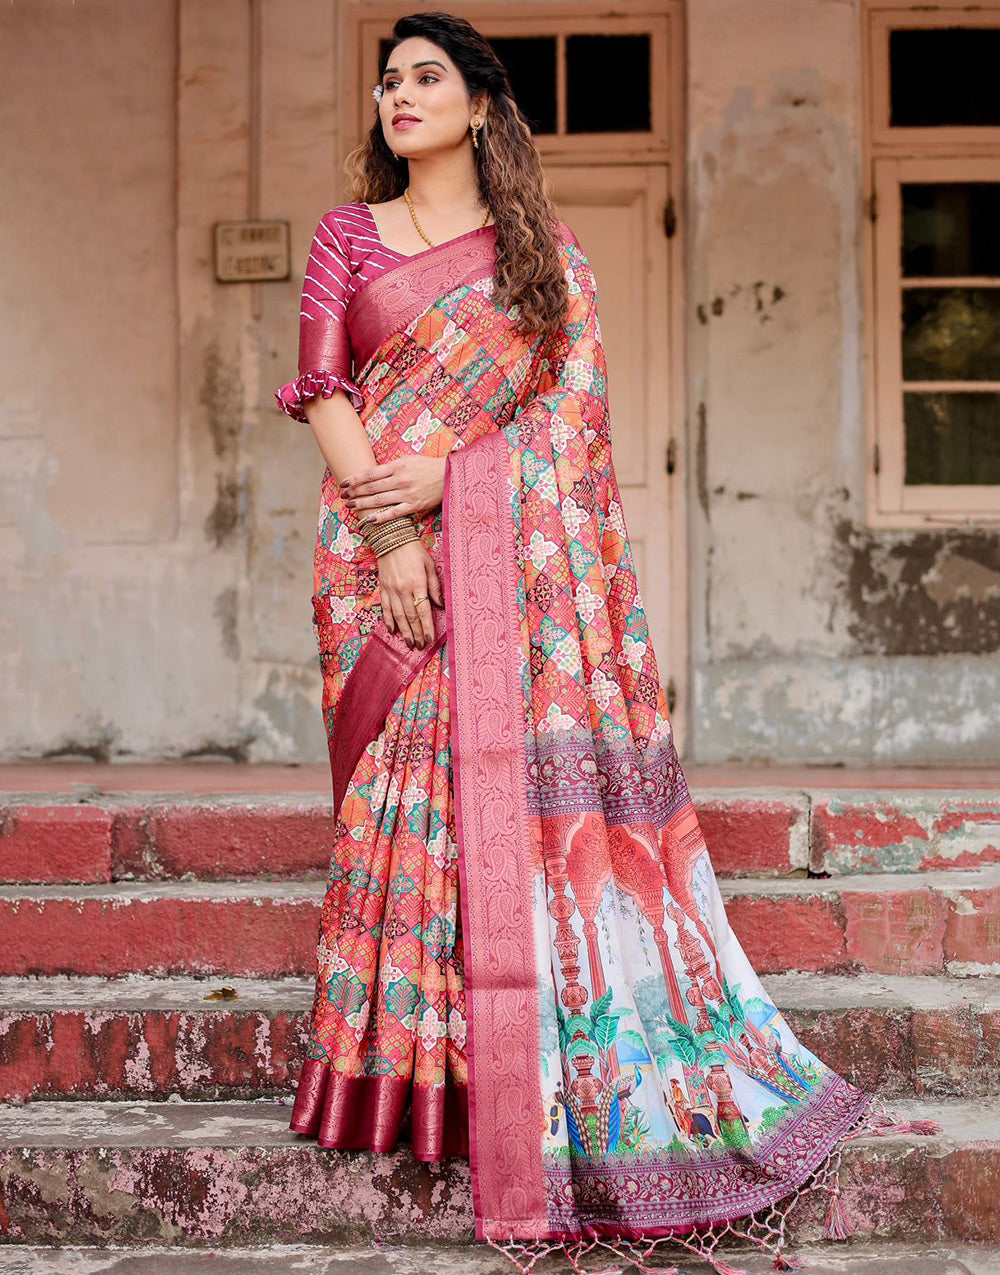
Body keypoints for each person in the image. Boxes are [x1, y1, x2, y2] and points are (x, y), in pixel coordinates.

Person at [274, 12, 936, 1272]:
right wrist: (400, 535)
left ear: (479, 105)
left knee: (495, 810)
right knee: (399, 812)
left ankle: (510, 1077)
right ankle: (402, 1082)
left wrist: (451, 487)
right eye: (385, 79)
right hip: (376, 560)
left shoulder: (542, 255)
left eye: (424, 78)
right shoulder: (345, 236)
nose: (395, 95)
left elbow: (570, 431)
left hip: (510, 569)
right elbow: (323, 390)